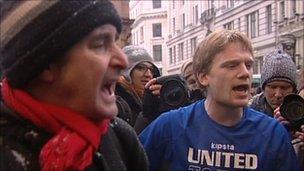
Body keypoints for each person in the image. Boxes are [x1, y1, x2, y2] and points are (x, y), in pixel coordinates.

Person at [0, 1, 148, 170]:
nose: (123, 60)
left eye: (115, 41)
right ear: (46, 65)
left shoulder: (120, 137)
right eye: (100, 44)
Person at [139, 29, 300, 170]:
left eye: (248, 65)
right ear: (203, 76)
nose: (245, 73)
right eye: (232, 65)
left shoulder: (273, 134)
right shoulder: (170, 126)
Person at [115, 45, 160, 127]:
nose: (148, 75)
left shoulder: (154, 99)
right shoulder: (115, 103)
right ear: (125, 71)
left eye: (151, 70)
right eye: (141, 68)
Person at [249, 50, 298, 117]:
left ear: (294, 90)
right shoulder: (247, 112)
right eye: (272, 87)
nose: (278, 95)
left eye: (285, 88)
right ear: (263, 88)